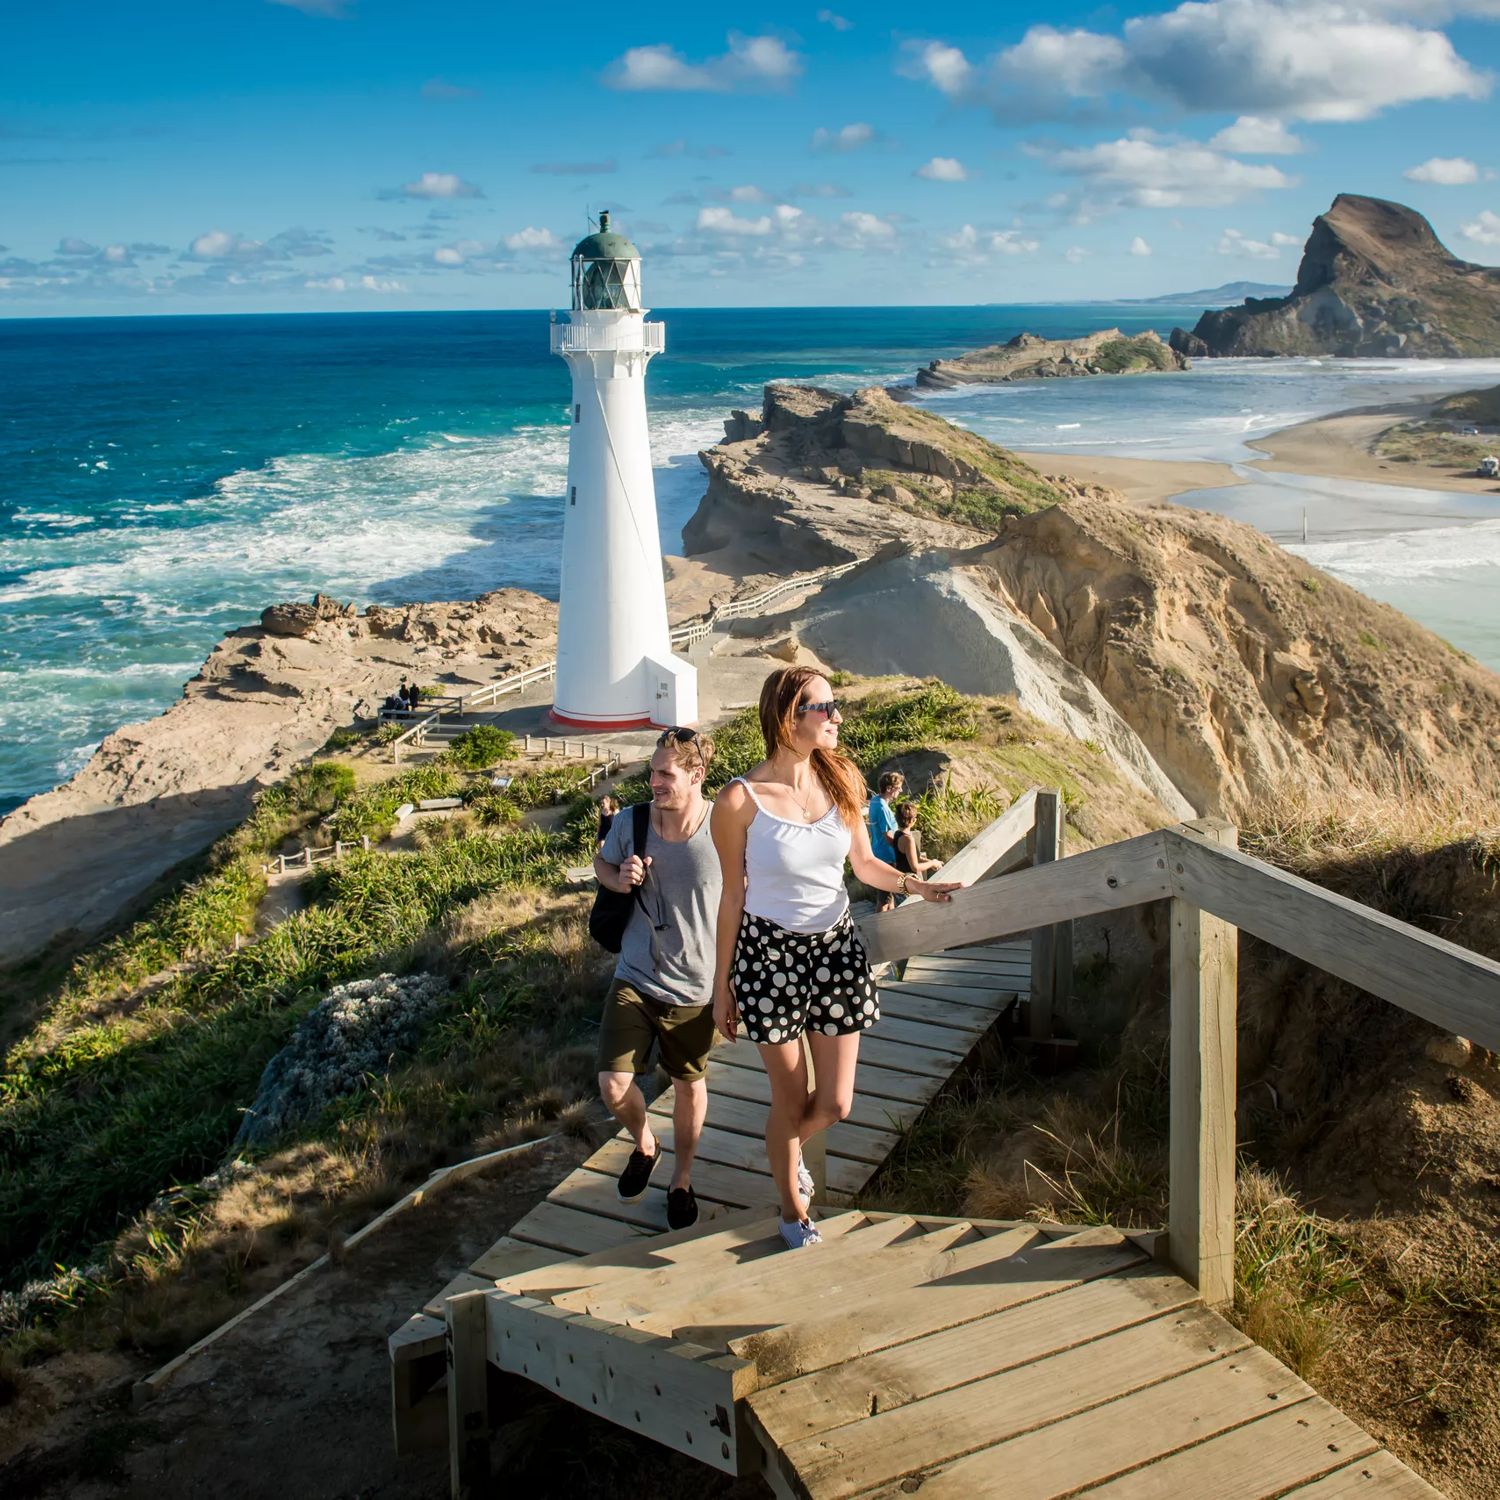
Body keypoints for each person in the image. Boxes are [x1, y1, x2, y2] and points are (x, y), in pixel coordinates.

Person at [710, 668, 959, 1250]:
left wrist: (917, 886)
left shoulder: (842, 776)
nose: (837, 716)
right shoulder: (738, 800)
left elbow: (865, 866)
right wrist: (723, 988)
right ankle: (793, 1212)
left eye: (835, 705)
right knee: (790, 1099)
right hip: (768, 958)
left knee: (837, 1103)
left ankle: (783, 1148)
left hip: (837, 952)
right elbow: (731, 897)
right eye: (825, 707)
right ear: (788, 717)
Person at [594, 728, 721, 1230]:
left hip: (696, 986)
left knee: (689, 1086)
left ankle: (682, 1179)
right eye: (652, 770)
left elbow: (742, 902)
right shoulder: (632, 820)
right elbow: (600, 864)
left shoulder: (724, 829)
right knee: (612, 1083)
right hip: (635, 974)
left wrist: (730, 982)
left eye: (665, 773)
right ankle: (645, 1143)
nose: (654, 781)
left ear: (697, 775)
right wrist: (618, 876)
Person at [867, 771, 905, 913]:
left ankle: (890, 922)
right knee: (884, 898)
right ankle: (879, 928)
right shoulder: (882, 807)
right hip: (885, 856)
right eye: (898, 787)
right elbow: (888, 836)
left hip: (879, 852)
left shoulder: (875, 801)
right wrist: (903, 850)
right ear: (889, 788)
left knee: (889, 894)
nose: (901, 790)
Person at [893, 801, 943, 882]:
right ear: (912, 820)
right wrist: (932, 863)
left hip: (901, 879)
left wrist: (933, 862)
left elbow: (915, 857)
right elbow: (915, 867)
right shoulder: (908, 839)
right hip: (909, 882)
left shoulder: (897, 834)